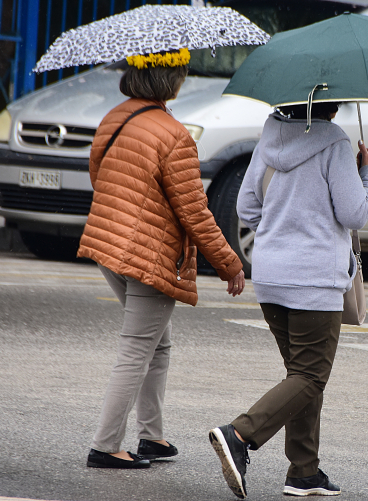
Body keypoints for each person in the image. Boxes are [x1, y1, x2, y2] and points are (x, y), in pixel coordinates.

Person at [78, 49, 246, 469]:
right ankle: (106, 444)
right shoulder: (174, 135)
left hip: (108, 243)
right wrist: (229, 262)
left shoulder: (115, 118)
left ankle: (151, 436)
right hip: (148, 253)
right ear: (170, 81)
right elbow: (194, 212)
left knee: (157, 343)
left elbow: (99, 176)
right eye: (182, 72)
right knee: (137, 347)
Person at [209, 101, 368, 497]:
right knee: (311, 375)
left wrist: (283, 227)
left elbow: (246, 207)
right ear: (333, 105)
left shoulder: (270, 137)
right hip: (314, 281)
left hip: (270, 277)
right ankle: (239, 434)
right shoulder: (335, 143)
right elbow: (355, 213)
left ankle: (304, 471)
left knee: (300, 376)